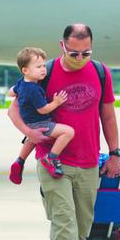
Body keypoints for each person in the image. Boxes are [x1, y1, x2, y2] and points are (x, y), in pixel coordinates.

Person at [7, 24, 120, 240]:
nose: (80, 58)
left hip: (88, 160)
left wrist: (115, 152)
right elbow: (13, 108)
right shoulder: (43, 72)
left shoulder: (100, 72)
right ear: (62, 46)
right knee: (64, 223)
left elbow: (107, 116)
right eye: (74, 53)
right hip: (51, 160)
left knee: (82, 229)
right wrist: (30, 133)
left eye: (86, 53)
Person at [8, 47, 75, 184]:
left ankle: (20, 161)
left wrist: (18, 94)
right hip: (41, 123)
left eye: (44, 66)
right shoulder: (33, 89)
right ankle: (51, 157)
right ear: (25, 70)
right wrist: (56, 102)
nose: (44, 69)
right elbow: (43, 110)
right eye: (38, 67)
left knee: (33, 139)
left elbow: (11, 92)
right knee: (68, 132)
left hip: (29, 123)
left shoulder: (22, 83)